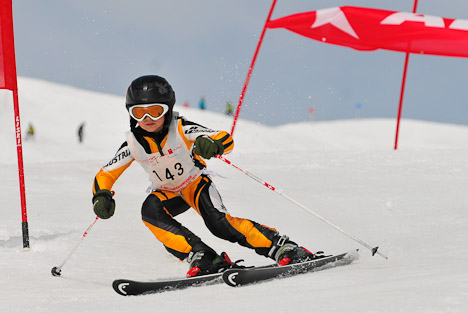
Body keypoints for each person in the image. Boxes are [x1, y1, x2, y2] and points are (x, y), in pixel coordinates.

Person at [91, 75, 314, 277]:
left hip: (195, 184)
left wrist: (213, 143)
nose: (148, 118)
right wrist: (101, 195)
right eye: (139, 112)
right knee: (149, 211)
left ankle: (283, 246)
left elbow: (223, 138)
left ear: (167, 110)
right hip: (167, 192)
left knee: (219, 224)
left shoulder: (180, 128)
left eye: (155, 111)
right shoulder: (132, 144)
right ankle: (204, 257)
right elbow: (105, 174)